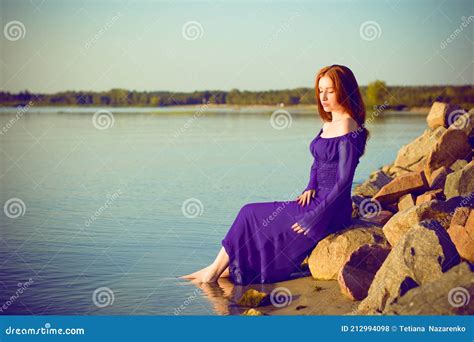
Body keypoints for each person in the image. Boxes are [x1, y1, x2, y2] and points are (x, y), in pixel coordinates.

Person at [180, 64, 370, 285]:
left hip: (330, 210)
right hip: (315, 200)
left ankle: (211, 275)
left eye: (330, 90)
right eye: (320, 90)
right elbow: (317, 163)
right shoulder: (328, 123)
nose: (323, 96)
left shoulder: (348, 125)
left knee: (249, 213)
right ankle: (210, 272)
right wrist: (310, 186)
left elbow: (344, 180)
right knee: (250, 217)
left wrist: (315, 216)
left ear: (345, 90)